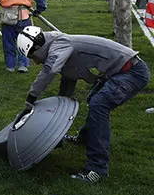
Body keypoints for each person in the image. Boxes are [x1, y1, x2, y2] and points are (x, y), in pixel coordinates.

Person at [15, 26, 150, 183]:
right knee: (93, 99)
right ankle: (85, 138)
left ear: (37, 48)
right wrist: (54, 129)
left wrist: (31, 98)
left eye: (33, 57)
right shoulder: (58, 47)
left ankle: (97, 168)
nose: (36, 62)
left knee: (99, 105)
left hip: (132, 72)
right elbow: (66, 87)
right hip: (118, 71)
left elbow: (49, 70)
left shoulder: (59, 46)